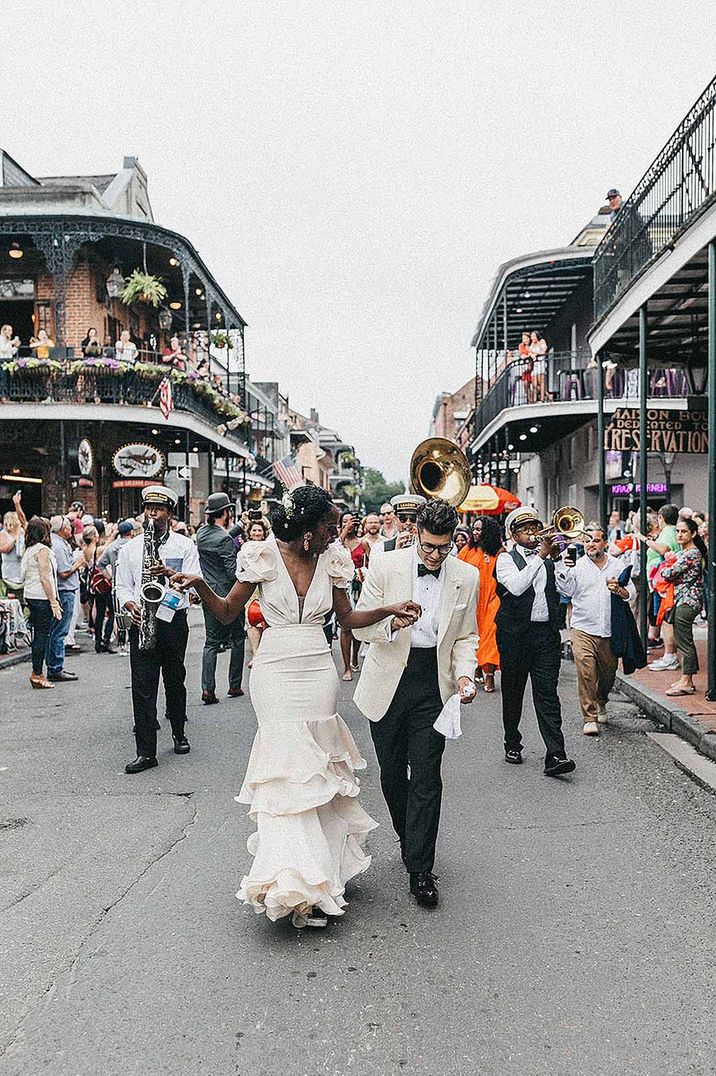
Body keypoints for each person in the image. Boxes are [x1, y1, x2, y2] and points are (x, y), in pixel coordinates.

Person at [168, 484, 419, 927]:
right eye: (328, 527)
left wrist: (388, 609)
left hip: (318, 670)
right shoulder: (261, 556)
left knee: (317, 771)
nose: (335, 533)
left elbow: (347, 620)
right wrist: (201, 586)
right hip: (275, 669)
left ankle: (320, 876)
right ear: (307, 531)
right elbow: (228, 612)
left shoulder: (335, 559)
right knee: (286, 773)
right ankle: (291, 881)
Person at [352, 497, 478, 909]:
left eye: (444, 547)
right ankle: (411, 839)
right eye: (429, 547)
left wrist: (464, 674)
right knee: (392, 774)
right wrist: (390, 621)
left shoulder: (468, 576)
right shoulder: (385, 565)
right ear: (415, 536)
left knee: (426, 774)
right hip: (389, 677)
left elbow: (466, 636)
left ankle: (420, 869)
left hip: (433, 685)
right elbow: (359, 630)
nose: (436, 555)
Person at [115, 485, 202, 774]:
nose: (152, 513)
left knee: (175, 680)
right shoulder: (130, 548)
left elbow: (193, 583)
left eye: (159, 509)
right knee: (142, 686)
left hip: (173, 619)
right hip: (142, 620)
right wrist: (130, 605)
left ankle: (179, 732)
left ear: (170, 513)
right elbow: (122, 585)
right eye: (149, 508)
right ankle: (145, 752)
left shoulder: (184, 546)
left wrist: (168, 577)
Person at [495, 507, 576, 776]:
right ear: (514, 533)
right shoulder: (505, 559)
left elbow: (569, 590)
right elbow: (516, 587)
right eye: (525, 529)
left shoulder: (549, 559)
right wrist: (540, 558)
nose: (532, 533)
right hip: (514, 635)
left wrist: (558, 559)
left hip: (545, 635)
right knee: (513, 691)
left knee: (547, 695)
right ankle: (512, 742)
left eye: (535, 527)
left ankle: (556, 754)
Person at [555, 524, 635, 735]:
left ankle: (601, 700)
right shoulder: (577, 566)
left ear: (605, 543)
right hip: (582, 627)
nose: (591, 544)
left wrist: (619, 589)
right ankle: (589, 717)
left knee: (608, 675)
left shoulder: (617, 565)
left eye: (596, 540)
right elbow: (566, 591)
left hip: (609, 629)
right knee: (586, 670)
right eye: (587, 540)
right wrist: (563, 568)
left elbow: (632, 594)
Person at [196, 492, 246, 704]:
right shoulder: (224, 539)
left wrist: (239, 527)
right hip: (228, 594)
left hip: (208, 592)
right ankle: (234, 685)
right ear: (225, 512)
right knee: (237, 638)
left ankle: (207, 688)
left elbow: (219, 537)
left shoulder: (201, 533)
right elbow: (231, 571)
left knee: (211, 643)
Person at [660, 518, 707, 697]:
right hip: (684, 600)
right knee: (682, 640)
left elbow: (668, 573)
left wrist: (667, 564)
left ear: (693, 534)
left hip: (687, 601)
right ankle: (685, 678)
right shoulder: (687, 552)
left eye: (684, 532)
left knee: (684, 641)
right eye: (678, 531)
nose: (679, 534)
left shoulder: (691, 553)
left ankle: (687, 681)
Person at [458, 516, 502, 693]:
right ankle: (476, 667)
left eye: (479, 529)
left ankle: (489, 674)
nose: (476, 532)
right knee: (474, 636)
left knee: (490, 637)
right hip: (472, 601)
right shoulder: (467, 551)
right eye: (474, 529)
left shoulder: (499, 552)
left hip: (492, 600)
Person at [21, 516, 61, 690]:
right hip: (41, 597)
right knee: (41, 636)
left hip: (31, 595)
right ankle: (37, 674)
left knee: (40, 634)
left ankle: (37, 672)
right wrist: (53, 602)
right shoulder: (42, 550)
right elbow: (46, 578)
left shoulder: (29, 549)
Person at [641, 504, 680, 672]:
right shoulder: (670, 532)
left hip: (664, 582)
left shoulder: (669, 532)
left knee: (667, 619)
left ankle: (670, 656)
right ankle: (669, 655)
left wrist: (645, 540)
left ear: (662, 518)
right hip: (661, 582)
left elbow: (663, 549)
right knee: (664, 618)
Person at [47, 516, 83, 682]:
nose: (71, 529)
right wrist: (77, 564)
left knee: (57, 630)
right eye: (68, 526)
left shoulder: (59, 543)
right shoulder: (59, 546)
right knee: (60, 631)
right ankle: (55, 667)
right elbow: (64, 572)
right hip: (64, 590)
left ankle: (55, 666)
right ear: (62, 528)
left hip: (64, 590)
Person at [98, 520, 135, 653]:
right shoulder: (133, 545)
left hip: (117, 585)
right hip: (132, 585)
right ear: (131, 532)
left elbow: (100, 563)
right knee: (132, 613)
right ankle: (131, 642)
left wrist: (109, 577)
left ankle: (120, 643)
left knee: (118, 614)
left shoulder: (112, 547)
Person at [0, 492, 27, 603]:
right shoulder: (3, 534)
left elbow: (24, 520)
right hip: (9, 571)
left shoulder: (22, 532)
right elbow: (3, 549)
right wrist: (14, 539)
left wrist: (17, 504)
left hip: (22, 570)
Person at [529, 331, 548, 403]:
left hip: (541, 362)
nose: (532, 338)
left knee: (541, 381)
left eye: (534, 336)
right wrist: (531, 354)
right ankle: (535, 399)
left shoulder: (542, 342)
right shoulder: (532, 344)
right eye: (531, 337)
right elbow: (530, 352)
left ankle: (542, 398)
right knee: (535, 382)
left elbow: (543, 351)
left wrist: (535, 354)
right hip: (535, 364)